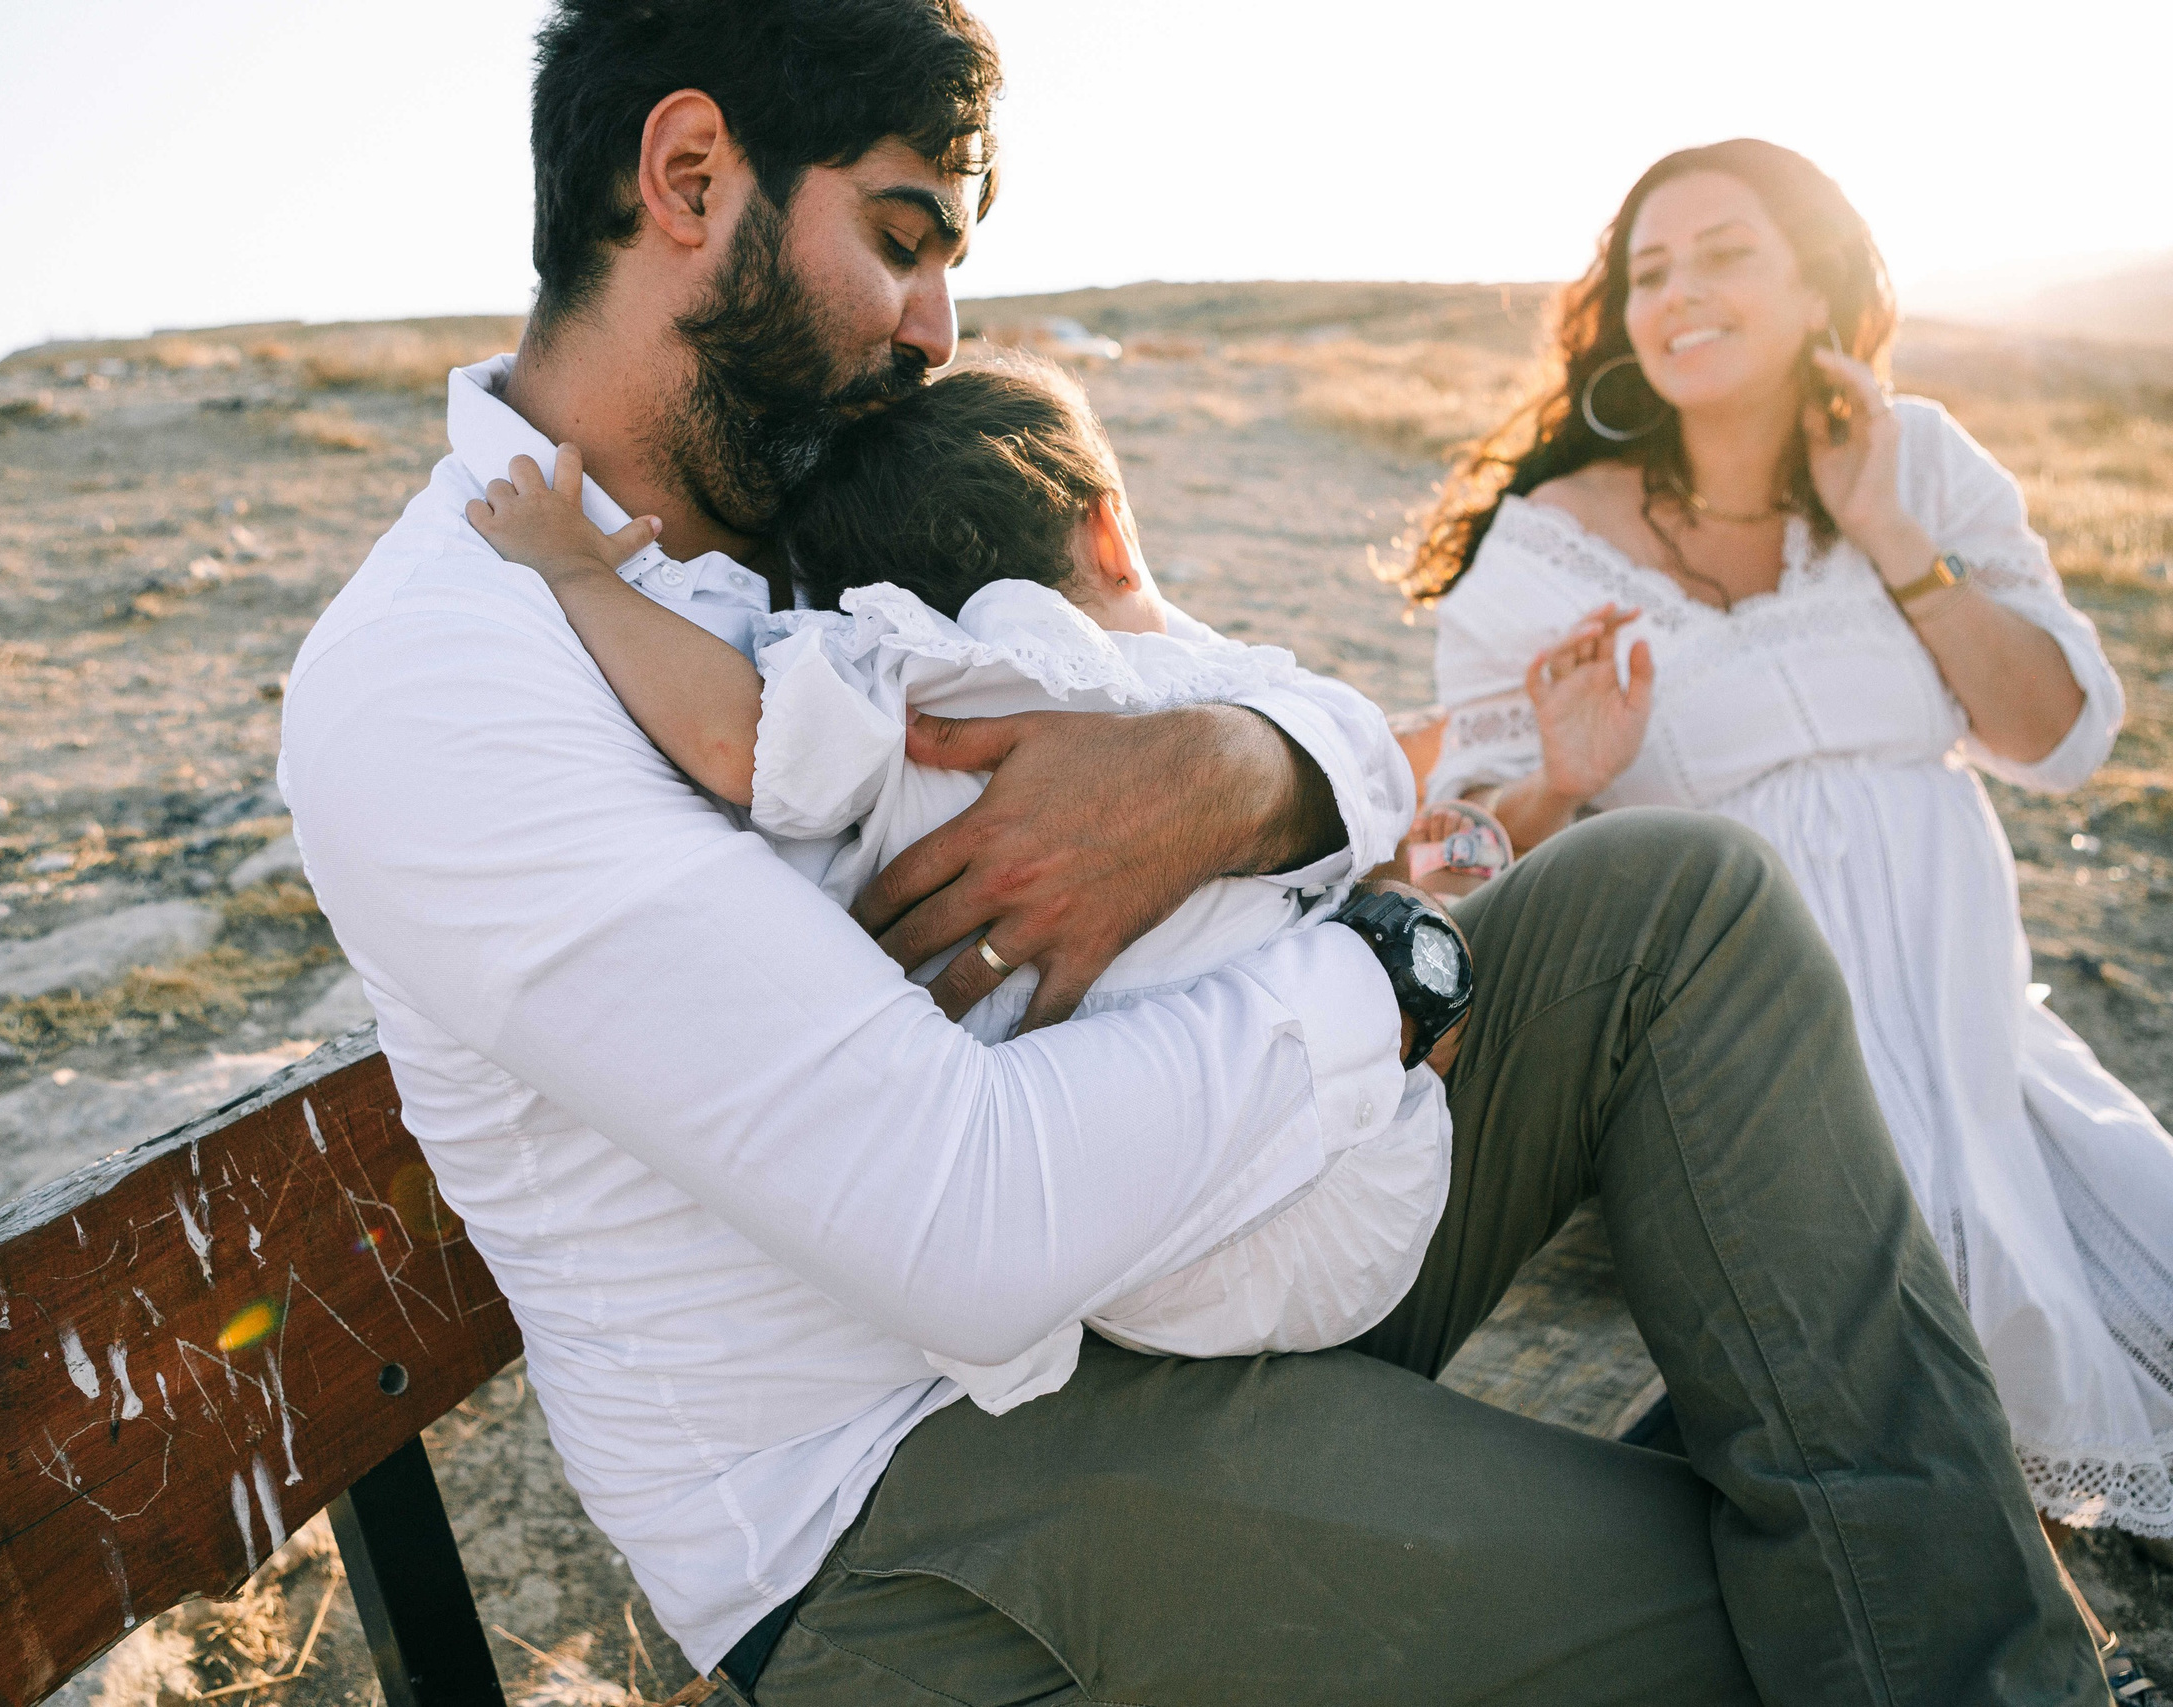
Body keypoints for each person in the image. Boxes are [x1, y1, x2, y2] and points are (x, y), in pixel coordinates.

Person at [277, 6, 2104, 1700]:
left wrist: (1231, 771)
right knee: (1800, 1615)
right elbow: (968, 1229)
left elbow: (1232, 683)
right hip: (917, 1489)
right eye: (904, 238)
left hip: (1194, 1238)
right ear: (690, 179)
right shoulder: (450, 675)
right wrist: (1384, 973)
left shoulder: (814, 502)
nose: (937, 329)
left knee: (1677, 905)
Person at [1411, 142, 2173, 1591]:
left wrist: (1889, 534)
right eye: (1650, 272)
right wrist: (1562, 774)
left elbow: (2054, 736)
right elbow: (1455, 858)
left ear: (1819, 283)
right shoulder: (1551, 548)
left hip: (1967, 1028)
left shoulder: (1919, 463)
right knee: (1904, 1322)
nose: (1680, 294)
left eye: (1725, 254)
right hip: (1743, 1050)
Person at [464, 354, 1458, 1418]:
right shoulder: (1192, 680)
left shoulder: (901, 686)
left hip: (1132, 1264)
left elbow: (730, 736)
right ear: (1110, 534)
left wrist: (579, 575)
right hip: (1368, 1179)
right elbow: (1370, 763)